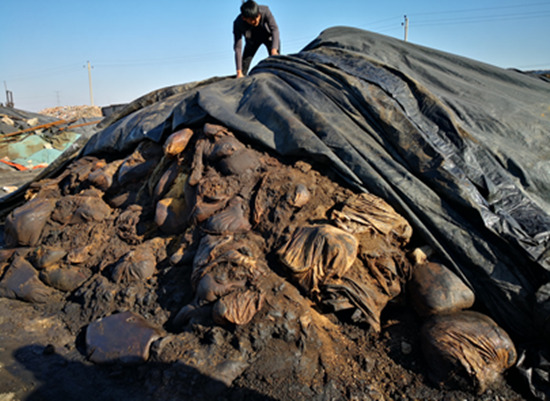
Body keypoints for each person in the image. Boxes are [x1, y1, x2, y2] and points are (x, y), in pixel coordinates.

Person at [233, 1, 280, 78]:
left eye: (257, 17)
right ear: (244, 18)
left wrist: (274, 50)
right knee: (243, 68)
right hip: (252, 41)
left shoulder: (265, 10)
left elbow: (274, 29)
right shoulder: (238, 23)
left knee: (276, 62)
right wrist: (239, 72)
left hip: (268, 37)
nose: (256, 21)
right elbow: (238, 48)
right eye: (252, 19)